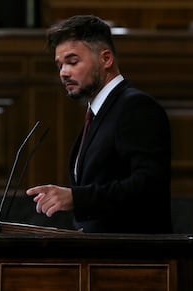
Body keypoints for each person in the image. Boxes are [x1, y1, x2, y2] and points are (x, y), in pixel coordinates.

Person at [26, 15, 172, 233]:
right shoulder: (98, 113)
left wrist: (76, 198)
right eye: (60, 65)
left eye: (72, 62)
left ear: (106, 59)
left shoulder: (136, 107)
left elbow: (149, 186)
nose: (64, 72)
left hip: (134, 258)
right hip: (98, 257)